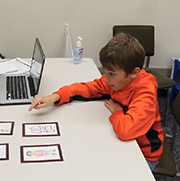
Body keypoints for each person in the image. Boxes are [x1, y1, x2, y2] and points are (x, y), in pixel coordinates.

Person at [29, 33, 164, 170]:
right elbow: (84, 88)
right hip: (124, 144)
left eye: (112, 74)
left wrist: (117, 112)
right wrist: (53, 97)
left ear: (134, 73)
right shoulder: (116, 81)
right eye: (105, 72)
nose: (106, 79)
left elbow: (126, 131)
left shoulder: (145, 91)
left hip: (144, 154)